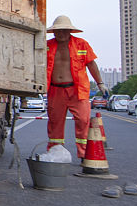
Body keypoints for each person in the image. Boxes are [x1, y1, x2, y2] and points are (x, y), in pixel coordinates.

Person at [46, 14, 107, 159]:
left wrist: (100, 83)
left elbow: (91, 64)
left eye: (64, 30)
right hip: (55, 90)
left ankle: (85, 153)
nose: (60, 33)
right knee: (55, 122)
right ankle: (55, 153)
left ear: (70, 31)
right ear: (53, 32)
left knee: (83, 120)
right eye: (58, 31)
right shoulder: (47, 45)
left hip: (77, 90)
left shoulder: (82, 44)